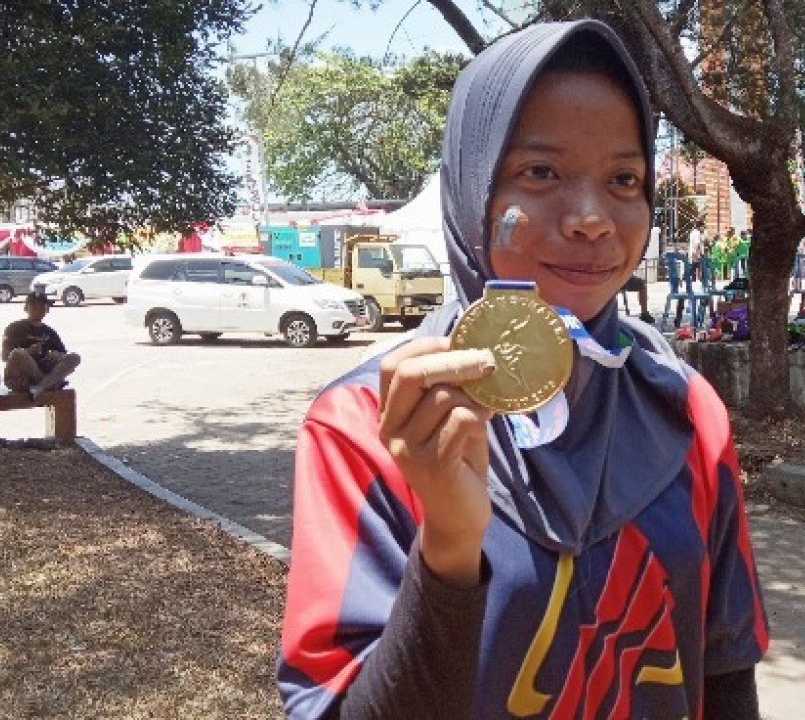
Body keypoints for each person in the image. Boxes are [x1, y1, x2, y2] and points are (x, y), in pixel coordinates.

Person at [277, 20, 767, 720]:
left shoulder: (686, 412)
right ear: (472, 188)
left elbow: (723, 675)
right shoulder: (371, 425)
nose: (592, 218)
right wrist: (448, 550)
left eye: (624, 178)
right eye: (540, 173)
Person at [1, 293, 80, 398]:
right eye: (34, 306)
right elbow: (5, 357)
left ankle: (41, 386)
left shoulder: (50, 332)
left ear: (47, 310)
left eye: (42, 306)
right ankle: (46, 384)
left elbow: (64, 356)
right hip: (21, 377)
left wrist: (56, 355)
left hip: (42, 370)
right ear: (26, 308)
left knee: (74, 357)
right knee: (18, 353)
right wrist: (28, 352)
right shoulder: (14, 328)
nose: (38, 309)